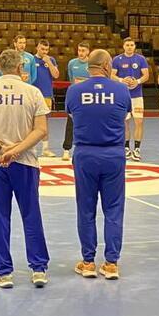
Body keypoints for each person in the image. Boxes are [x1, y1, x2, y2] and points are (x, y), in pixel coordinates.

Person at [0, 49, 50, 289]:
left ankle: (3, 272)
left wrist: (0, 147)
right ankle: (38, 269)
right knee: (31, 214)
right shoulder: (32, 92)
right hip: (25, 163)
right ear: (20, 68)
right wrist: (16, 150)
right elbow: (41, 130)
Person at [66, 49, 131, 280]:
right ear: (105, 65)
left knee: (86, 208)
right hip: (113, 154)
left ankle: (88, 262)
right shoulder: (122, 90)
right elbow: (125, 116)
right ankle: (111, 263)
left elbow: (74, 117)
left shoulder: (74, 91)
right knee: (113, 208)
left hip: (85, 154)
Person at [111, 38, 150, 161]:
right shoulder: (117, 59)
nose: (129, 47)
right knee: (125, 123)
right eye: (127, 45)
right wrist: (123, 81)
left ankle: (137, 149)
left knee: (139, 122)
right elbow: (111, 75)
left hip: (137, 96)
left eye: (131, 45)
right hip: (122, 96)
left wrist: (137, 82)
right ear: (123, 46)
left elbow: (146, 75)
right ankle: (126, 148)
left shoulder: (141, 59)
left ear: (135, 46)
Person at [62, 42, 91, 160]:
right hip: (75, 97)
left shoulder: (92, 64)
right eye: (79, 50)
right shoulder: (71, 63)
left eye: (83, 51)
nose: (81, 53)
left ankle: (89, 148)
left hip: (89, 98)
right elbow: (71, 79)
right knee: (70, 123)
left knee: (89, 123)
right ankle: (66, 149)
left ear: (88, 51)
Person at [33, 40, 60, 158]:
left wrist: (49, 62)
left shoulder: (51, 60)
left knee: (44, 122)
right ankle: (30, 148)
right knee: (29, 122)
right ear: (37, 48)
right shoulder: (31, 59)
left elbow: (56, 75)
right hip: (32, 95)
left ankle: (45, 149)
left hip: (46, 95)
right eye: (42, 49)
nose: (44, 52)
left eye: (46, 50)